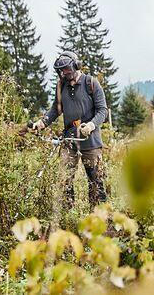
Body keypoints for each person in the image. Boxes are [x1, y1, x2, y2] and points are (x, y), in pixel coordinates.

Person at [32, 51, 108, 210]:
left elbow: (102, 111)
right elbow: (56, 109)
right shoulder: (61, 86)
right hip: (69, 140)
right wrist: (43, 122)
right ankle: (67, 214)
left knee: (96, 181)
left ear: (76, 65)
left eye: (66, 69)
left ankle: (99, 218)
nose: (64, 73)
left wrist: (91, 125)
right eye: (61, 70)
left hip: (91, 142)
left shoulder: (91, 83)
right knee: (64, 179)